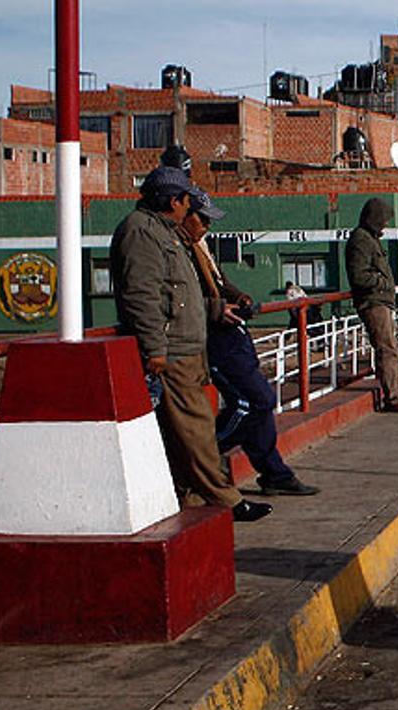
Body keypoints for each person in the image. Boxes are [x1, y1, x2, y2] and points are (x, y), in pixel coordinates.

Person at [109, 167, 271, 522]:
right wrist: (156, 348)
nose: (188, 208)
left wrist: (213, 309)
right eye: (186, 201)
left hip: (188, 347)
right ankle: (226, 499)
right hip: (173, 351)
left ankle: (190, 495)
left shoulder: (164, 233)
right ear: (173, 201)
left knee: (184, 432)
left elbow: (183, 294)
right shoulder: (141, 233)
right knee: (195, 429)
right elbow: (142, 296)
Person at [181, 190, 319, 497]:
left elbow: (218, 282)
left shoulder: (199, 246)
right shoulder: (175, 248)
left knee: (260, 404)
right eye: (202, 219)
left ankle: (274, 473)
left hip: (231, 334)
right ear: (182, 212)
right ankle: (200, 458)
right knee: (254, 402)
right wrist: (216, 309)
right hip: (212, 337)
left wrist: (238, 297)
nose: (207, 226)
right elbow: (177, 298)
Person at [346, 198, 398, 413]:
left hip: (380, 301)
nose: (386, 224)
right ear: (374, 218)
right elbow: (359, 276)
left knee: (390, 348)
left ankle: (397, 393)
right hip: (373, 302)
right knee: (387, 349)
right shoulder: (361, 240)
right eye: (383, 220)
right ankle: (394, 398)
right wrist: (383, 283)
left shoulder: (370, 238)